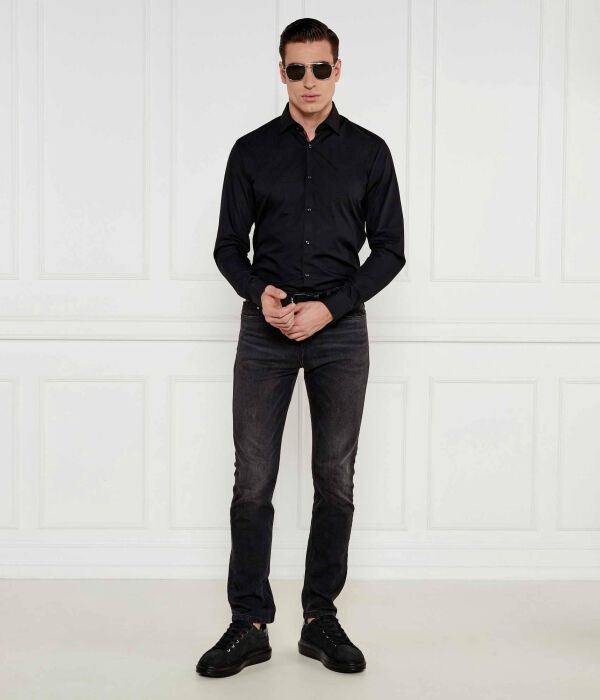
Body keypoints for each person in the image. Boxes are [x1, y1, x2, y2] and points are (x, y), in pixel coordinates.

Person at [196, 16, 405, 678]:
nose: (309, 81)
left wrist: (330, 308)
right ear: (281, 72)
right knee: (252, 479)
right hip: (266, 331)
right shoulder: (251, 151)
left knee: (334, 478)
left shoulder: (369, 152)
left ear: (337, 71)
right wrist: (259, 293)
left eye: (320, 68)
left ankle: (320, 620)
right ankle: (249, 624)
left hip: (340, 333)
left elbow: (390, 250)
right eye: (296, 69)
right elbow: (228, 247)